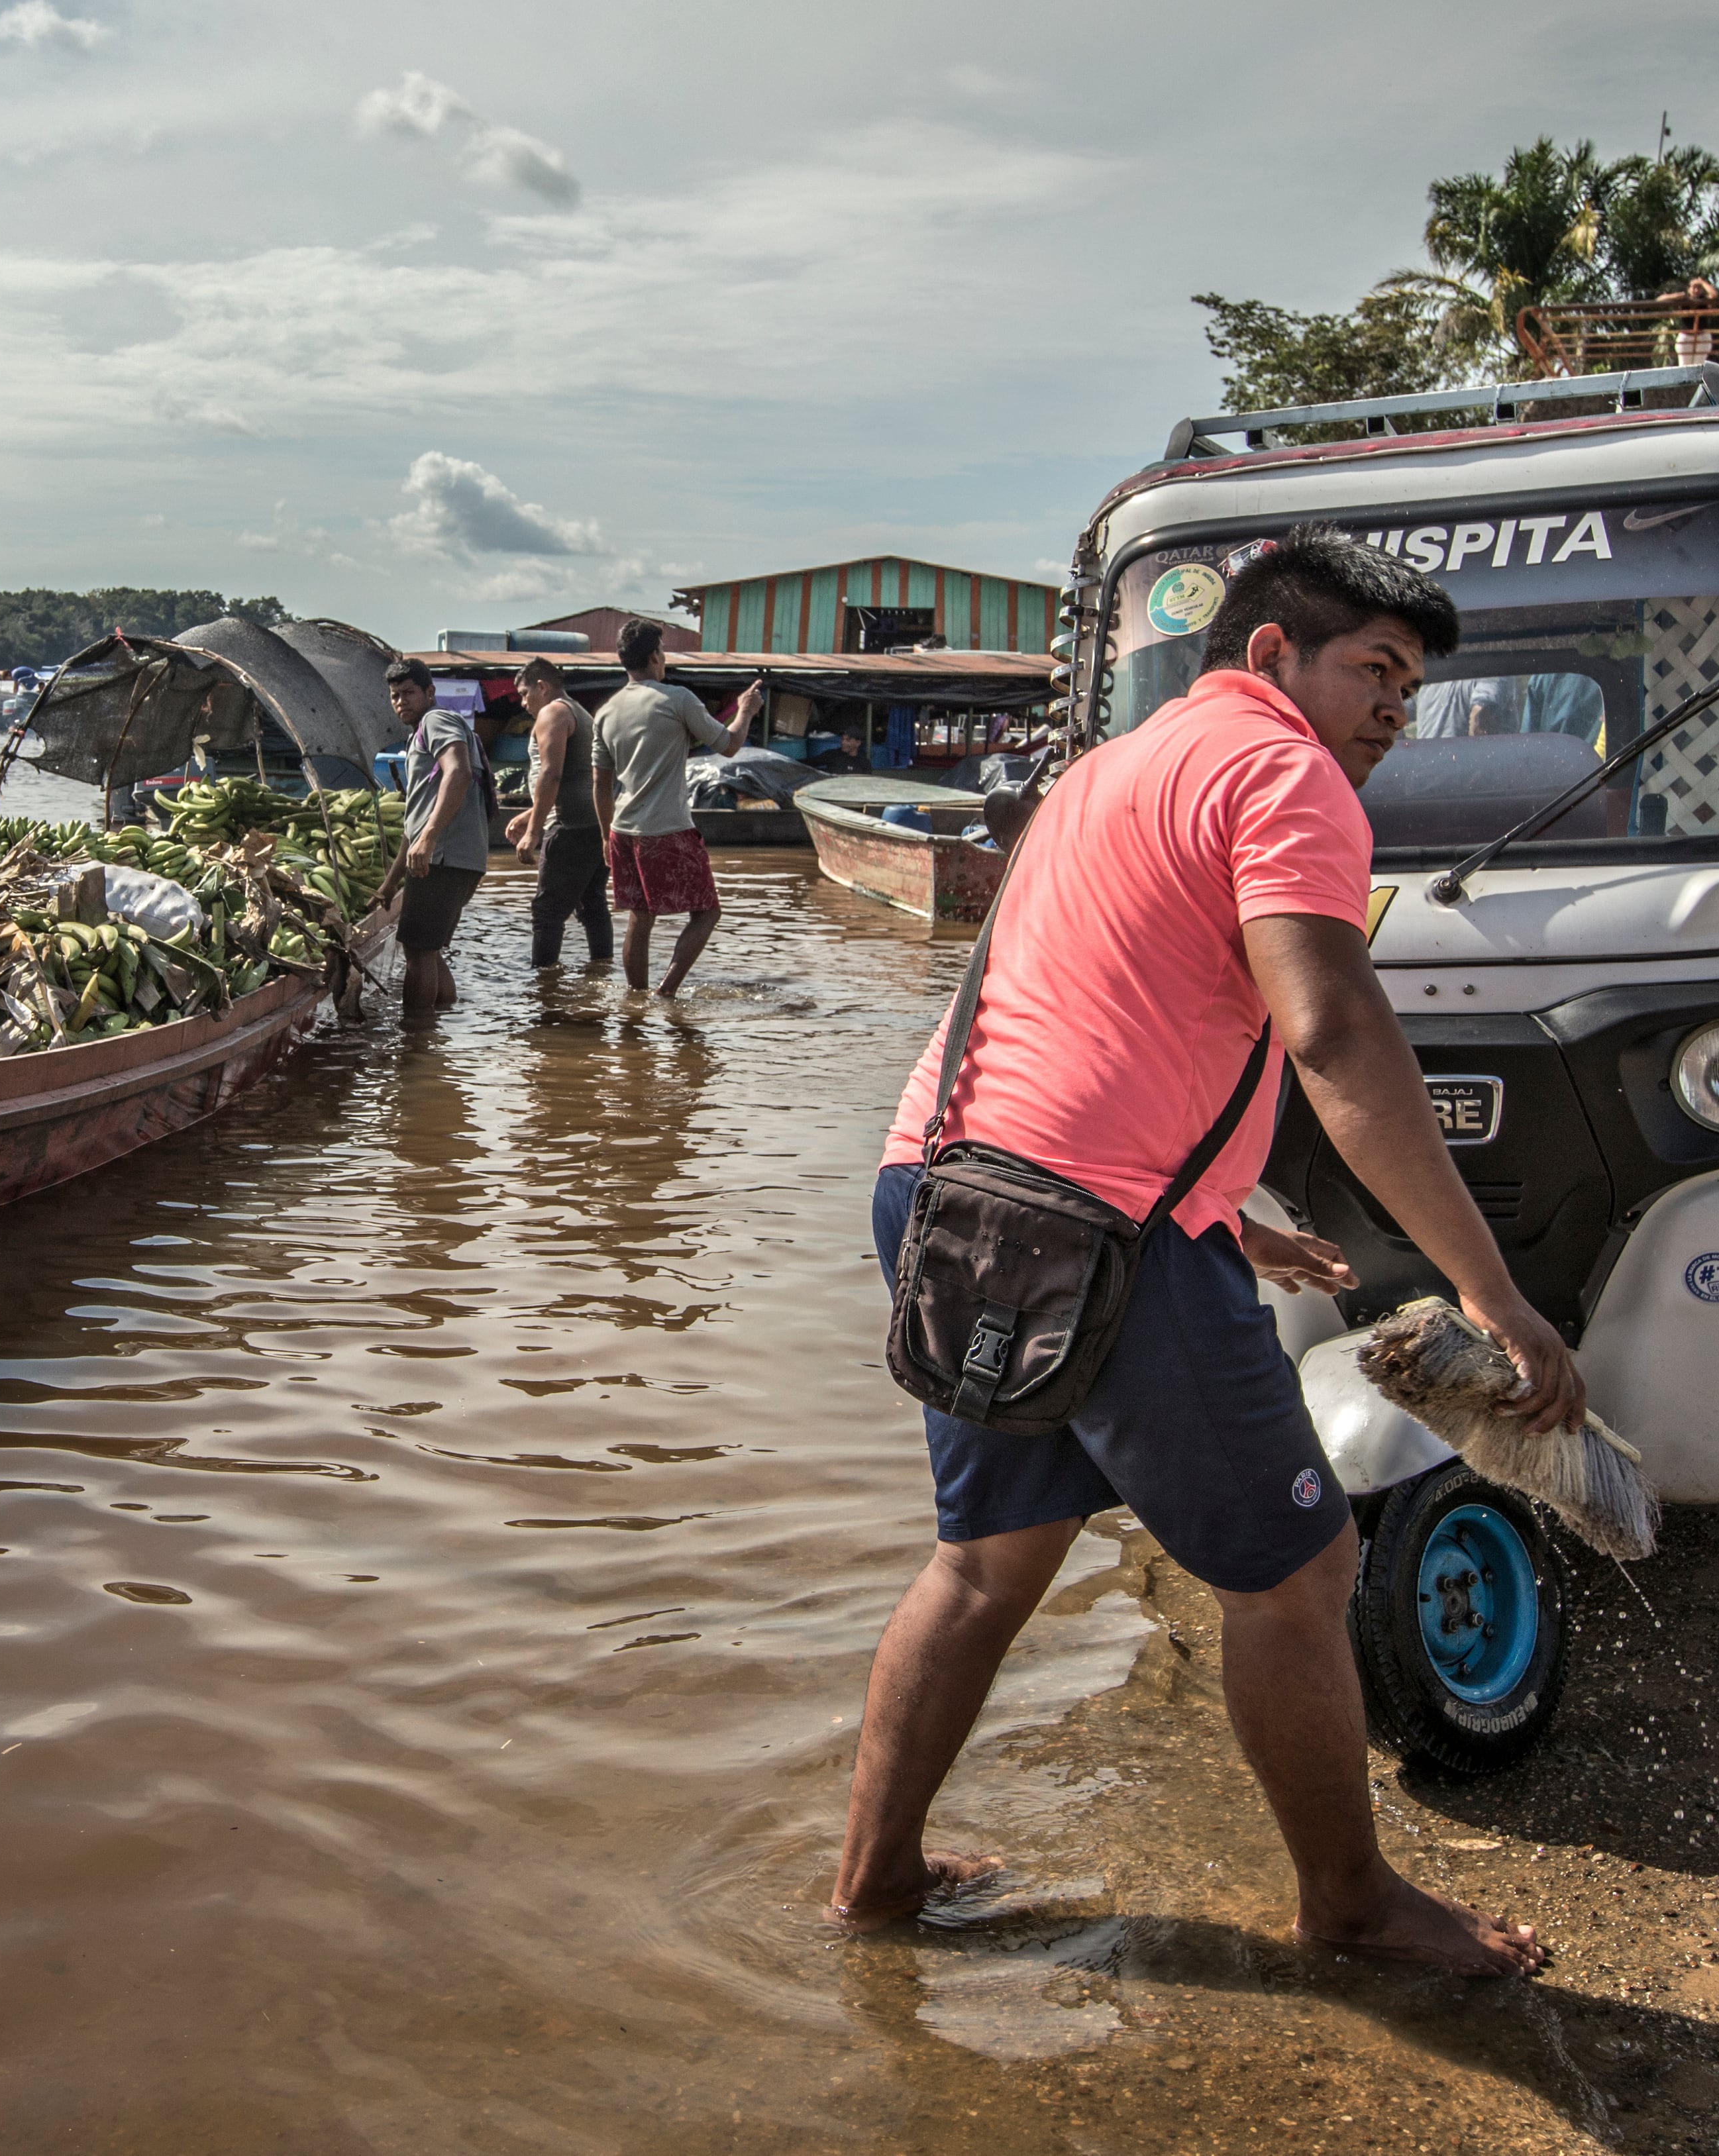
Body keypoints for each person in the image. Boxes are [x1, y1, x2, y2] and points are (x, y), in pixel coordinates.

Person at [835, 523, 1579, 1977]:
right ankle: (1354, 1910)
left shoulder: (1102, 773)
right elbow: (1335, 1028)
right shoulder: (1281, 767)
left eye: (1412, 689)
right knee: (1298, 1575)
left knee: (986, 1566)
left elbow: (1089, 1010)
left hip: (945, 1184)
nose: (1391, 712)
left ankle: (873, 1878)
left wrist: (1222, 1208)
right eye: (1373, 669)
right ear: (1267, 654)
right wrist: (1492, 1294)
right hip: (1096, 1227)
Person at [589, 620, 756, 996]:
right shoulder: (677, 698)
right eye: (662, 652)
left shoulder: (607, 711)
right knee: (708, 911)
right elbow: (729, 745)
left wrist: (605, 836)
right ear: (654, 657)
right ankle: (666, 992)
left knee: (641, 916)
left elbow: (600, 784)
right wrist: (745, 710)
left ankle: (636, 1002)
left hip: (623, 831)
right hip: (667, 829)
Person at [390, 658, 496, 1017]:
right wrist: (390, 885)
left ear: (430, 693)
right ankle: (440, 1035)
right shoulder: (421, 732)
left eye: (409, 693)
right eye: (395, 696)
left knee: (418, 952)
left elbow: (459, 772)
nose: (401, 701)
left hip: (444, 857)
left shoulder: (437, 721)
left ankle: (415, 1045)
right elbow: (414, 821)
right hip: (454, 859)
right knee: (427, 950)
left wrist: (430, 838)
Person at [503, 658, 612, 968]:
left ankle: (544, 987)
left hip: (569, 826)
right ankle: (601, 970)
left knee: (547, 911)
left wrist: (533, 834)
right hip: (594, 825)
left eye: (525, 694)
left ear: (542, 686)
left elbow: (551, 775)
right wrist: (530, 816)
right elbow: (573, 775)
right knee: (592, 903)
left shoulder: (554, 712)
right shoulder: (578, 711)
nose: (524, 703)